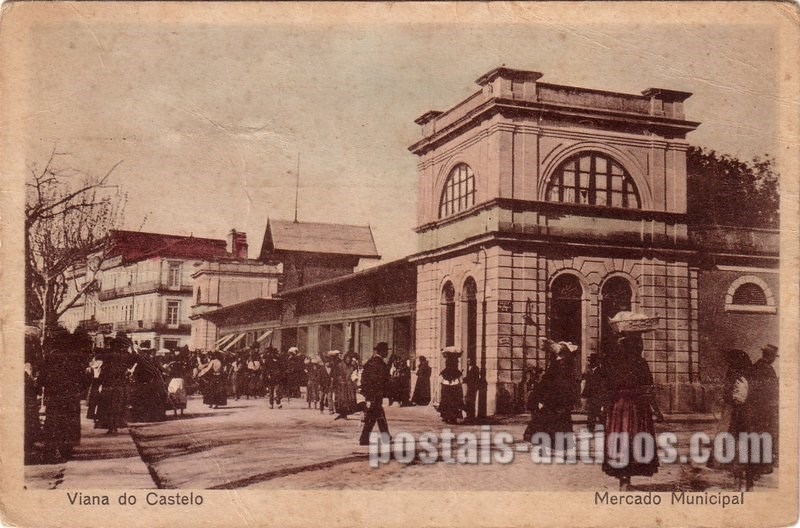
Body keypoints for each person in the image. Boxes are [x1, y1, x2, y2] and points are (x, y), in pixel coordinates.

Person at [602, 333, 663, 490]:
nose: (641, 346)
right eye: (639, 343)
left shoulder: (613, 363)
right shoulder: (641, 363)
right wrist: (657, 411)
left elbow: (607, 388)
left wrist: (606, 407)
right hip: (637, 407)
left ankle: (624, 480)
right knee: (635, 439)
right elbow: (648, 389)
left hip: (618, 406)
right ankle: (626, 481)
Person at [39, 330, 86, 461]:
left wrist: (44, 387)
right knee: (69, 423)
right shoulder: (75, 357)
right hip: (71, 395)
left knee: (53, 422)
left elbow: (42, 378)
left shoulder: (50, 356)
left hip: (54, 395)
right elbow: (83, 378)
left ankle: (50, 451)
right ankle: (67, 450)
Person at [526, 340, 577, 453]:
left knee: (549, 422)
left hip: (555, 398)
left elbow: (553, 383)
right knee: (554, 422)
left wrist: (544, 398)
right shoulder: (562, 363)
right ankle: (552, 446)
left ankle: (548, 446)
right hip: (557, 398)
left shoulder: (562, 364)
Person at [746, 344, 779, 480]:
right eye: (773, 357)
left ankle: (753, 468)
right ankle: (760, 468)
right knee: (765, 436)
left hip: (753, 409)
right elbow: (772, 391)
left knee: (754, 436)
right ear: (770, 357)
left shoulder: (754, 367)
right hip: (765, 409)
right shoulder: (768, 369)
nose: (774, 360)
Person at [358, 342, 391, 446]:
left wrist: (366, 392)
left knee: (375, 415)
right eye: (386, 351)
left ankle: (366, 438)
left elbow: (364, 378)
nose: (387, 353)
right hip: (376, 393)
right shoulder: (380, 364)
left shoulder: (370, 362)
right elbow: (382, 380)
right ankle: (368, 438)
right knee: (376, 415)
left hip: (371, 393)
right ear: (382, 352)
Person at [581, 353, 608, 432]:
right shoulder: (589, 371)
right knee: (591, 413)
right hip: (592, 395)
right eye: (590, 361)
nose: (590, 362)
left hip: (599, 395)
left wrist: (602, 396)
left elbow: (603, 384)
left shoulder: (601, 371)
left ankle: (604, 428)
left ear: (596, 362)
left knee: (600, 413)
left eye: (592, 361)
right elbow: (587, 383)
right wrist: (585, 394)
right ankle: (591, 429)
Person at [438, 350, 464, 424]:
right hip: (455, 389)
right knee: (454, 404)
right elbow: (461, 381)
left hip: (446, 389)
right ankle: (453, 418)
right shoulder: (458, 372)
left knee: (446, 403)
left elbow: (440, 381)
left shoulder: (443, 372)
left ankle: (446, 417)